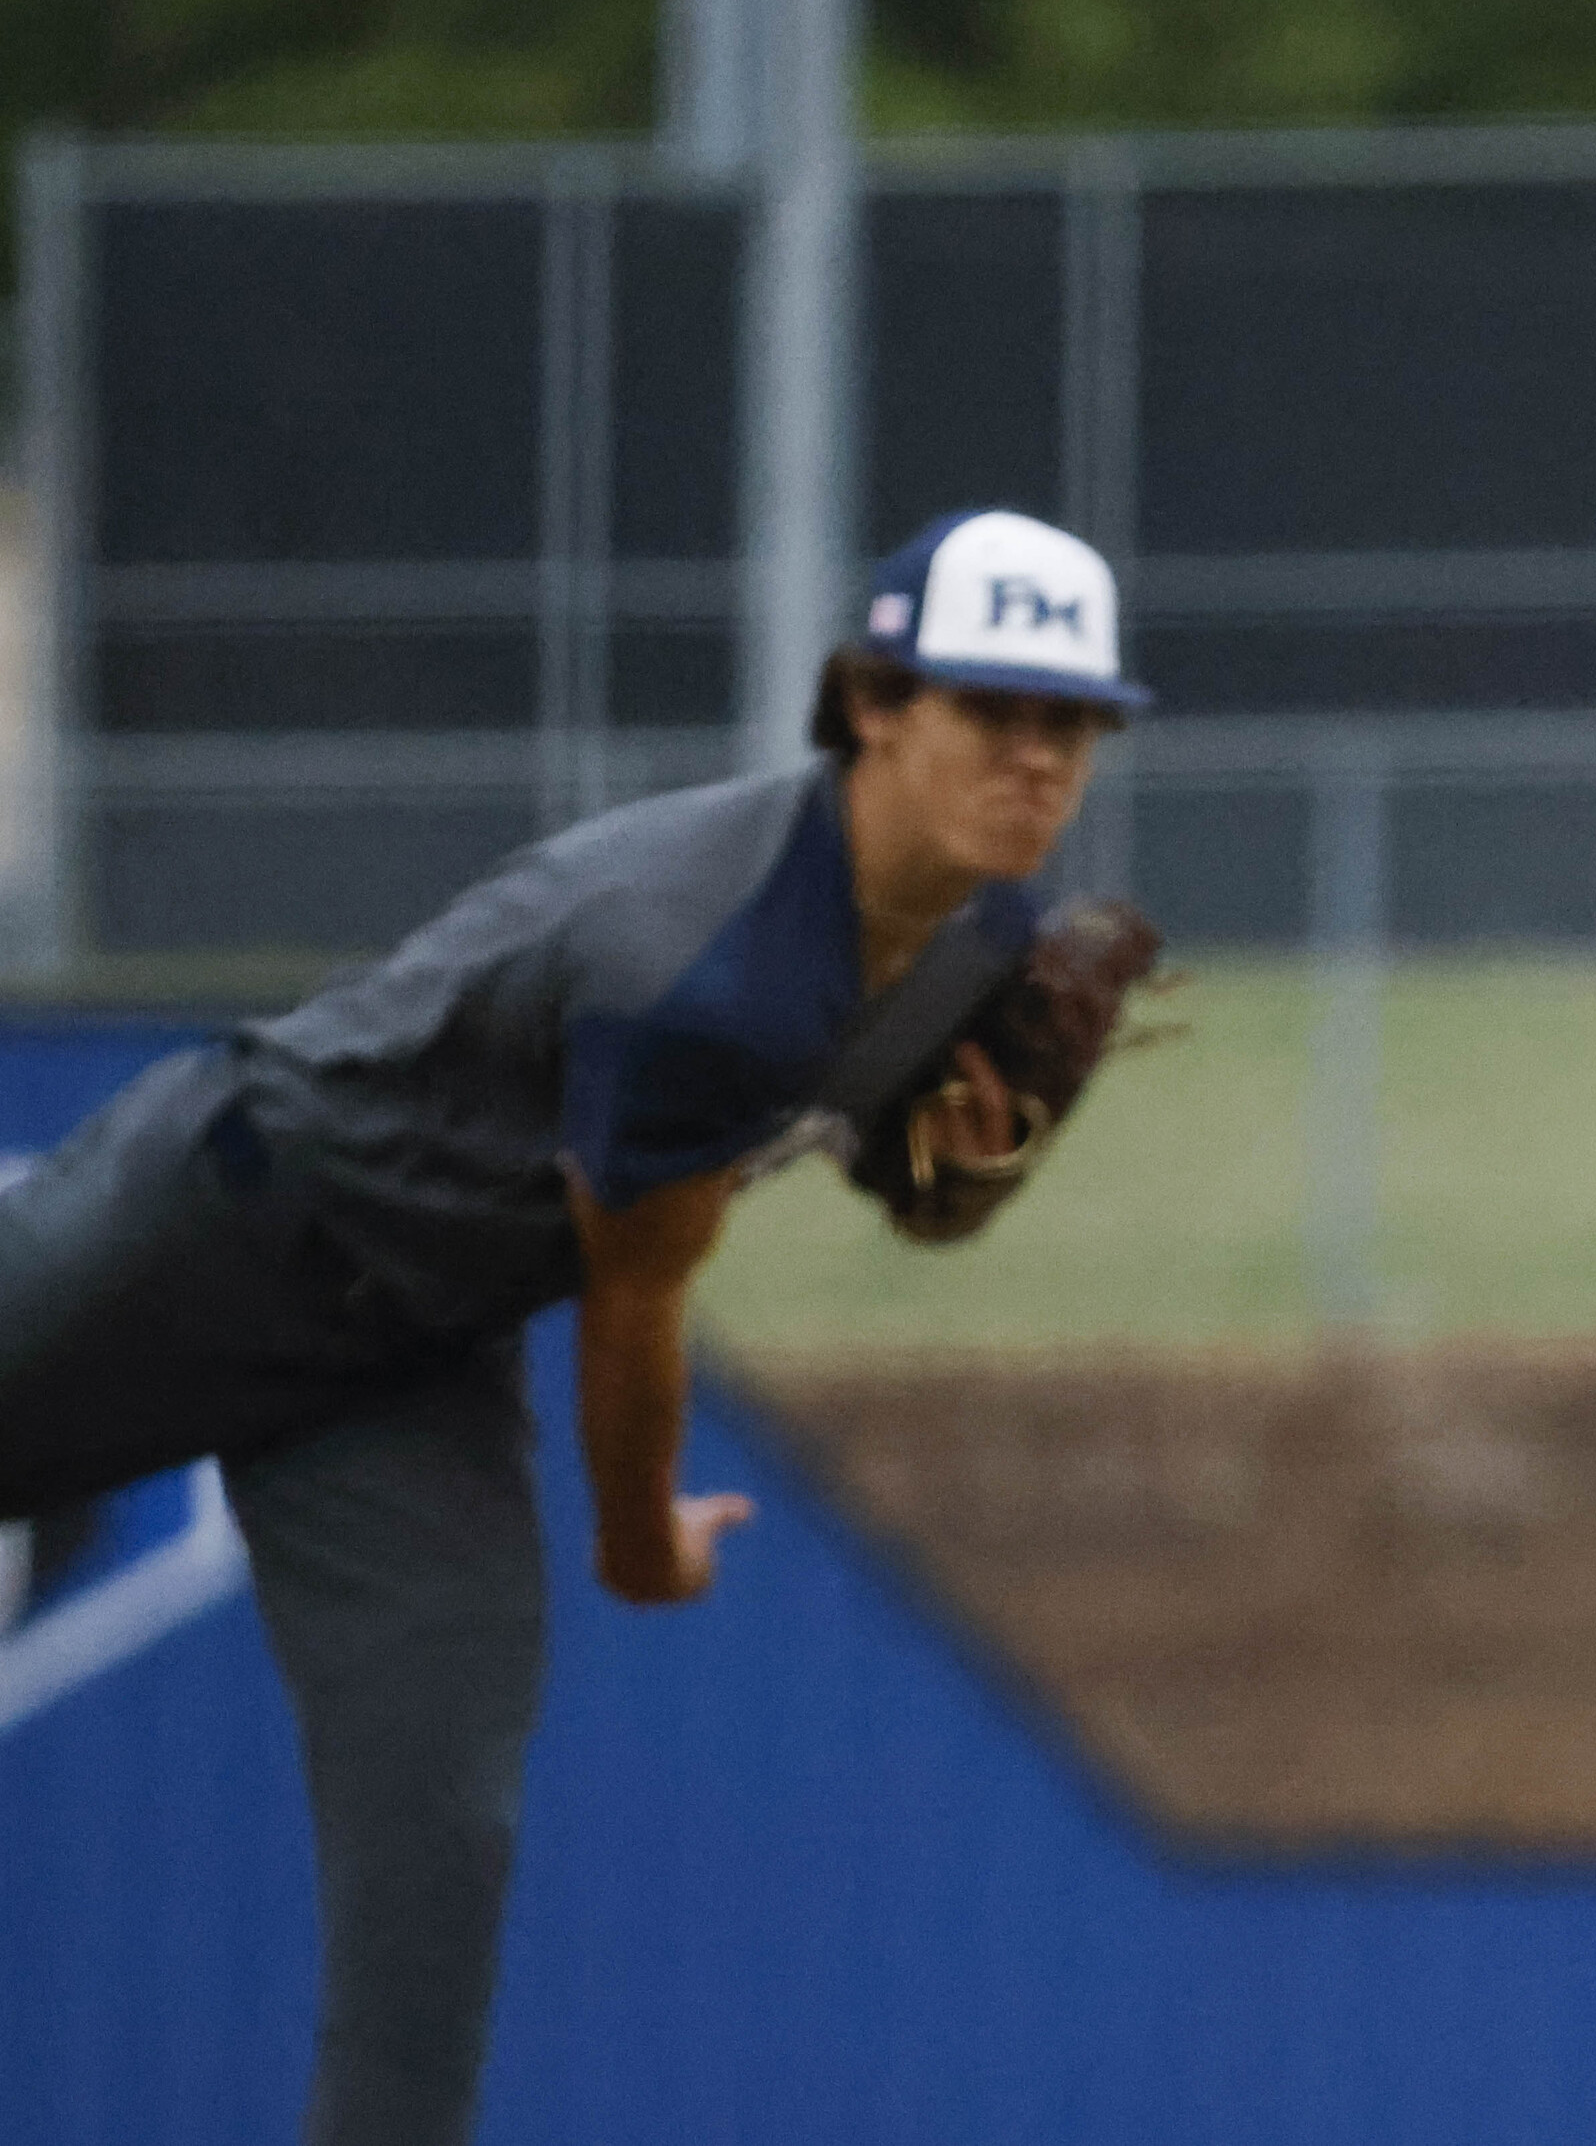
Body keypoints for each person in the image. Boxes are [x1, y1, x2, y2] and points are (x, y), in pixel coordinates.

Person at [0, 506, 1150, 2146]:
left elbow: (908, 1178)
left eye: (1073, 722)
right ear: (873, 705)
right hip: (218, 1230)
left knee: (437, 1846)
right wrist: (637, 1545)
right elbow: (634, 1314)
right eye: (994, 709)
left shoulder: (976, 943)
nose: (1039, 758)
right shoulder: (712, 965)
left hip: (409, 1368)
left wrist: (967, 1163)